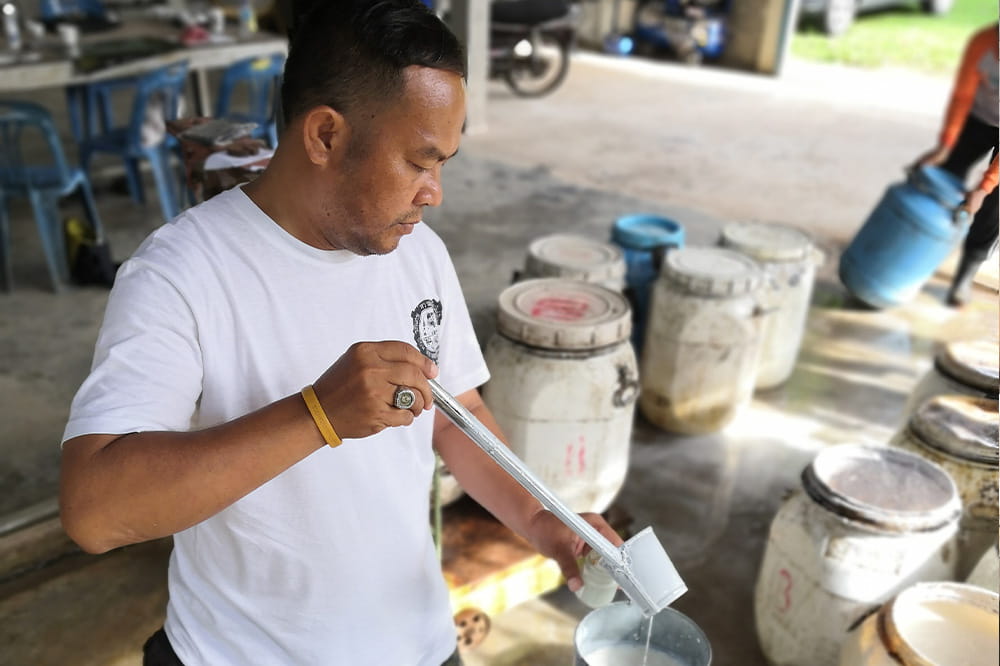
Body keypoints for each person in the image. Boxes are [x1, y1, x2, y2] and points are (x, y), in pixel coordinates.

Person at [58, 2, 623, 665]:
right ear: (325, 135)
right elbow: (94, 511)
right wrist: (318, 415)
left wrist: (539, 518)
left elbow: (453, 415)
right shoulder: (182, 274)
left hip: (418, 643)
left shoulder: (418, 254)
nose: (434, 192)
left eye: (445, 163)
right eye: (419, 161)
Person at [912, 22, 998, 306]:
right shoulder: (983, 42)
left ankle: (966, 271)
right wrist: (945, 146)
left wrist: (984, 188)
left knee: (994, 207)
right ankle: (918, 252)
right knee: (942, 178)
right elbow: (962, 97)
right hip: (979, 117)